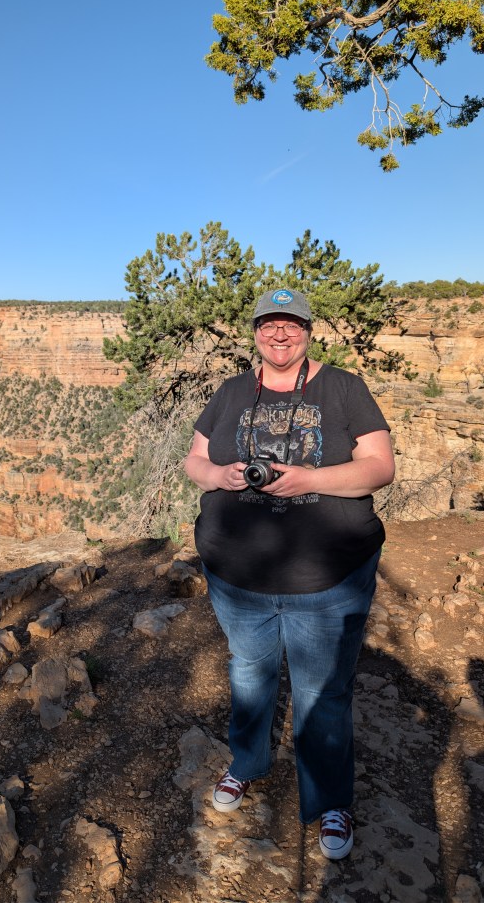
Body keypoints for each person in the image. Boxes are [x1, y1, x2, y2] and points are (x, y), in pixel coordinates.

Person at [184, 287, 395, 860]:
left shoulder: (344, 387)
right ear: (255, 331)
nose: (280, 334)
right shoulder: (232, 391)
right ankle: (247, 762)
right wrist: (220, 476)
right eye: (269, 324)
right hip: (238, 576)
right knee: (249, 674)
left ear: (308, 330)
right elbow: (194, 460)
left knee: (322, 691)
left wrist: (308, 479)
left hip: (326, 579)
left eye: (292, 324)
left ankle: (329, 799)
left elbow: (380, 467)